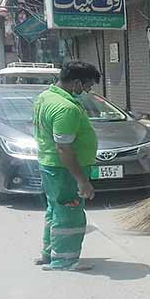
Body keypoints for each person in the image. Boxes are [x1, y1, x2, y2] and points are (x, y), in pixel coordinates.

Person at [32, 61, 101, 271]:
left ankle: (49, 253)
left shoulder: (45, 97)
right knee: (69, 213)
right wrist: (82, 181)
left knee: (55, 210)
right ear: (77, 83)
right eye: (88, 85)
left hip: (50, 165)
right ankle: (64, 260)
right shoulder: (66, 108)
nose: (88, 90)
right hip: (65, 170)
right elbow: (64, 148)